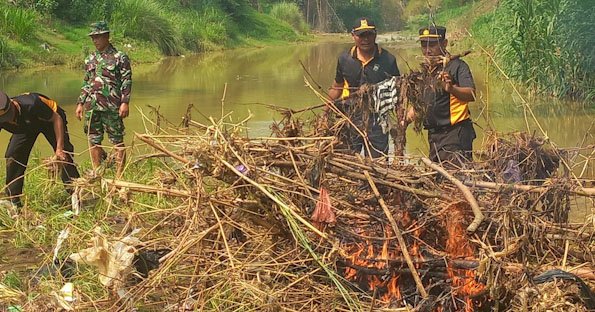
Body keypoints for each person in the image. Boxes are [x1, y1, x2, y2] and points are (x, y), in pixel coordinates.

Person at [327, 17, 400, 158]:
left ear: (375, 34)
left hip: (377, 120)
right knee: (345, 161)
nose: (365, 39)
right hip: (350, 118)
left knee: (377, 163)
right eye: (361, 35)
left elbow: (397, 91)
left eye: (369, 34)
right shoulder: (345, 59)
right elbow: (337, 87)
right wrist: (325, 114)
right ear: (353, 36)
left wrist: (400, 120)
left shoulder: (388, 60)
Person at [0, 91, 80, 208]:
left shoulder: (32, 103)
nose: (9, 121)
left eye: (10, 116)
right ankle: (13, 200)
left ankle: (75, 193)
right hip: (25, 126)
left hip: (49, 120)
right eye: (5, 119)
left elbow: (56, 119)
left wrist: (59, 148)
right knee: (13, 155)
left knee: (63, 156)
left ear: (13, 104)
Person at [412, 25, 477, 165]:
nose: (427, 49)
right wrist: (403, 121)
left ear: (444, 43)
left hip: (455, 134)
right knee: (439, 180)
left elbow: (471, 94)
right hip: (434, 136)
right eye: (424, 45)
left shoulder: (457, 66)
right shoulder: (425, 72)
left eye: (433, 44)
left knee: (455, 178)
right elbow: (420, 105)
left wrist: (452, 89)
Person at [75, 21, 132, 175]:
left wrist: (125, 103)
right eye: (93, 37)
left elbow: (126, 81)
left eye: (98, 37)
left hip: (111, 106)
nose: (95, 40)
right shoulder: (90, 58)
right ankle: (97, 171)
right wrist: (80, 103)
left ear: (107, 36)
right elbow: (87, 81)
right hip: (92, 107)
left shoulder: (119, 57)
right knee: (93, 139)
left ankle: (119, 175)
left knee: (117, 140)